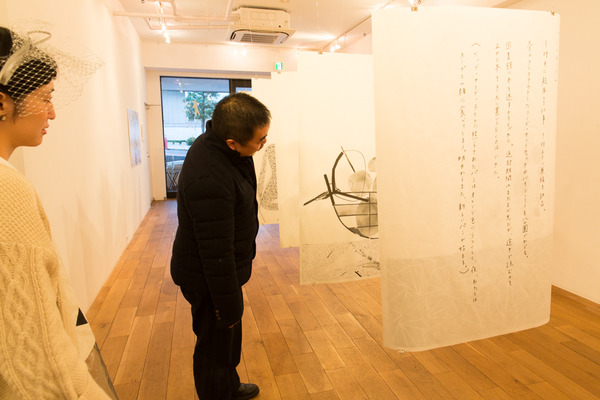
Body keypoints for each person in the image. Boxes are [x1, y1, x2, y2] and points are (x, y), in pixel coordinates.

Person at [0, 26, 116, 399]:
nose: (52, 112)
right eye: (45, 97)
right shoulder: (7, 190)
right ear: (2, 103)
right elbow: (37, 360)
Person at [171, 92, 270, 400]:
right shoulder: (210, 177)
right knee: (213, 347)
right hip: (207, 277)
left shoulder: (224, 149)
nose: (264, 144)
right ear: (232, 142)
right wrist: (227, 304)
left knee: (227, 337)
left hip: (220, 272)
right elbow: (215, 251)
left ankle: (229, 386)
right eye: (260, 140)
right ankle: (218, 392)